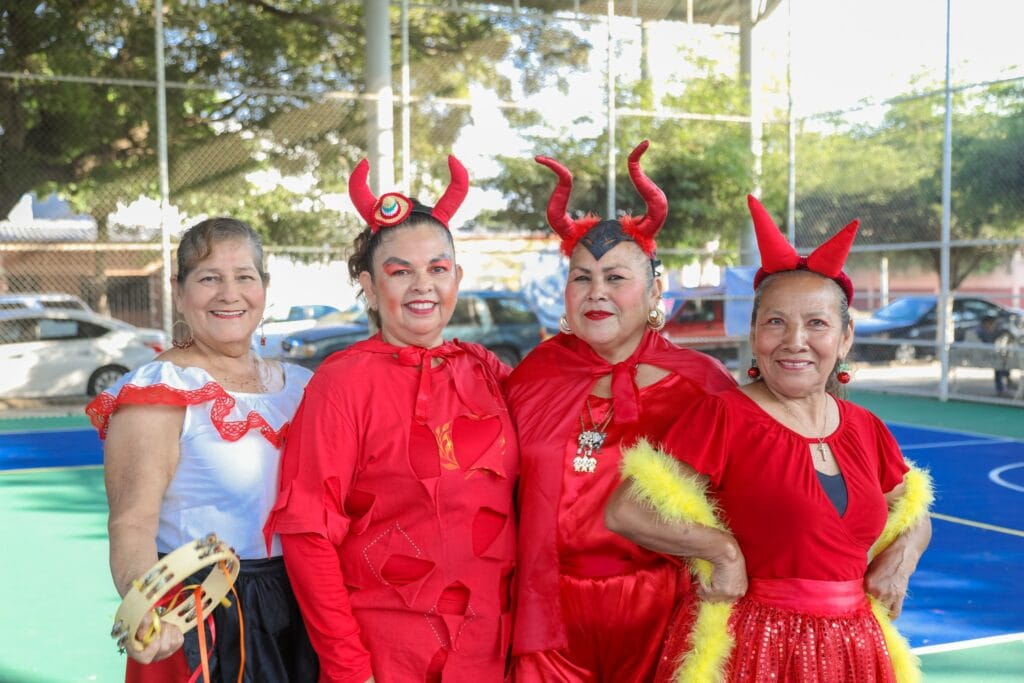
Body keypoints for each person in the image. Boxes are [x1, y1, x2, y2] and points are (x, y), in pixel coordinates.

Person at [605, 195, 933, 682]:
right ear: (754, 333)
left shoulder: (865, 427)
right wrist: (721, 551)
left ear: (845, 337)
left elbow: (914, 512)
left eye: (816, 323)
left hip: (856, 650)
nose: (794, 341)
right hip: (758, 650)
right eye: (776, 322)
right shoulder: (724, 415)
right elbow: (625, 510)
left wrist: (902, 559)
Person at [264, 156, 518, 682]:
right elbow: (309, 534)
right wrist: (349, 667)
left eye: (438, 269)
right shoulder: (341, 383)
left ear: (457, 278)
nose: (423, 285)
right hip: (385, 658)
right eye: (401, 272)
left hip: (493, 653)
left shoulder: (486, 369)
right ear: (370, 285)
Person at [507, 140, 737, 682]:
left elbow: (766, 482)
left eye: (615, 278)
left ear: (655, 291)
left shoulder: (701, 383)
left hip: (665, 613)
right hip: (547, 614)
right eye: (581, 277)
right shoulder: (533, 375)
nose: (596, 292)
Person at [87, 217, 318, 682]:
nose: (229, 294)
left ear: (264, 287)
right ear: (179, 290)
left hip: (303, 604)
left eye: (244, 277)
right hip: (203, 615)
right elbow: (131, 522)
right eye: (209, 278)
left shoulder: (301, 385)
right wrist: (146, 609)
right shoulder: (159, 389)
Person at [969, 314, 1013, 396]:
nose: (994, 326)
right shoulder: (979, 332)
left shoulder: (989, 331)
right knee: (999, 365)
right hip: (978, 357)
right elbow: (987, 345)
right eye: (992, 324)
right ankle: (1002, 387)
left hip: (988, 356)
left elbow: (996, 336)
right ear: (986, 323)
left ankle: (1006, 384)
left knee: (1004, 362)